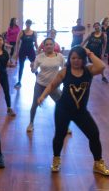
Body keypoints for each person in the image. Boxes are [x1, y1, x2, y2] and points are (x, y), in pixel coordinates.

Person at [38, 46, 109, 176]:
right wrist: (42, 96)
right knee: (60, 135)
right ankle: (56, 159)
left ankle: (98, 163)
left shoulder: (89, 71)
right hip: (63, 110)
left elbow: (102, 66)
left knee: (94, 133)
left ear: (84, 59)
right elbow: (52, 85)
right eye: (73, 58)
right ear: (69, 59)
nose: (76, 61)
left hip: (81, 112)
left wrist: (89, 52)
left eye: (79, 58)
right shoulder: (65, 71)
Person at [27, 38, 65, 132]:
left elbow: (64, 71)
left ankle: (64, 125)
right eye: (46, 44)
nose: (48, 46)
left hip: (54, 85)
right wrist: (32, 67)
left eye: (50, 44)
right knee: (34, 104)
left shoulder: (59, 56)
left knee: (61, 105)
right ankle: (31, 123)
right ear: (44, 46)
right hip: (40, 84)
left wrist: (64, 85)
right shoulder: (39, 57)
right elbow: (34, 71)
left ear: (54, 45)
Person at [0, 35, 16, 116]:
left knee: (6, 91)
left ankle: (9, 108)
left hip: (3, 75)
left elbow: (7, 64)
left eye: (0, 40)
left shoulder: (5, 53)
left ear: (3, 42)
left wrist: (11, 65)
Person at [14, 19, 38, 88]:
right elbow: (17, 42)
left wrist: (39, 51)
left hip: (31, 51)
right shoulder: (21, 32)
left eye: (29, 23)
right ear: (25, 24)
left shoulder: (34, 33)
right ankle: (19, 82)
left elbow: (36, 43)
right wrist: (16, 52)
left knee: (35, 65)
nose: (28, 25)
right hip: (23, 51)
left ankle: (39, 80)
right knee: (21, 66)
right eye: (27, 23)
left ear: (31, 24)